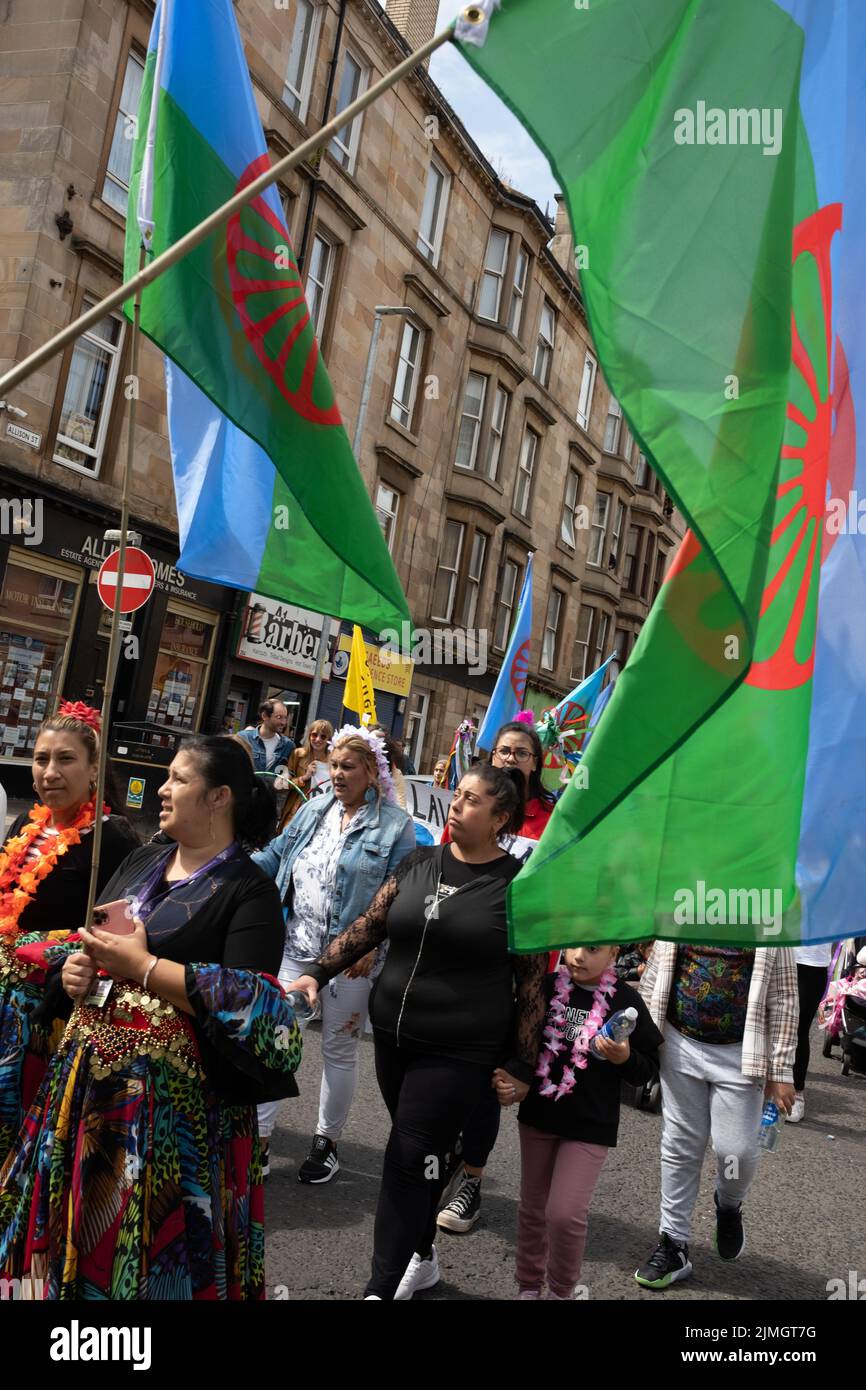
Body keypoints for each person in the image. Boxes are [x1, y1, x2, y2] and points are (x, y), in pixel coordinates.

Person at [0, 736, 301, 1300]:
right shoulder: (144, 860)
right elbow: (94, 944)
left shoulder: (249, 890)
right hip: (88, 1092)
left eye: (179, 780)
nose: (161, 789)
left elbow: (253, 1003)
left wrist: (143, 967)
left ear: (219, 798)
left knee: (147, 1257)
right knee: (70, 1235)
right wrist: (77, 975)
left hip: (171, 1115)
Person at [286, 763, 549, 1300]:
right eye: (459, 795)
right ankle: (422, 1255)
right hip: (395, 1039)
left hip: (461, 1050)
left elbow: (534, 985)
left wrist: (523, 1063)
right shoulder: (418, 862)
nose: (458, 804)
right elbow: (370, 926)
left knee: (406, 1159)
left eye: (474, 801)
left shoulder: (518, 888)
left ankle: (379, 1287)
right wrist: (316, 972)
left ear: (501, 817)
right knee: (418, 1153)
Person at [253, 725, 415, 1182]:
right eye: (335, 766)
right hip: (296, 948)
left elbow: (397, 892)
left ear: (371, 772)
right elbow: (278, 854)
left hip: (351, 959)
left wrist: (374, 942)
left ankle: (326, 1143)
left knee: (338, 1050)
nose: (338, 774)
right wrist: (226, 865)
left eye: (348, 767)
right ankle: (260, 1141)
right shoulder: (313, 809)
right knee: (278, 1039)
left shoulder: (395, 826)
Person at [0, 702, 138, 1168]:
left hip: (52, 1014)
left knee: (29, 1136)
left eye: (66, 759)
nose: (50, 772)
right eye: (41, 759)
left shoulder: (111, 837)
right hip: (3, 1007)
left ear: (94, 768)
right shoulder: (24, 826)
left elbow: (121, 936)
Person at [436, 715, 558, 1235]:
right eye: (503, 751)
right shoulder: (468, 810)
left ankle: (471, 1182)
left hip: (519, 969)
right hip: (459, 960)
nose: (510, 759)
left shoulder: (551, 820)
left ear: (536, 763)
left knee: (489, 1078)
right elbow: (441, 868)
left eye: (521, 753)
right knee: (445, 1070)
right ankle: (440, 1158)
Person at [634, 941, 798, 1289]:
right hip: (679, 1043)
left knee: (735, 1153)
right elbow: (659, 968)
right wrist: (643, 1037)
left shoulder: (768, 903)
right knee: (680, 1146)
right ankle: (673, 1244)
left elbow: (784, 995)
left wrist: (781, 1069)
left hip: (741, 1054)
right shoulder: (685, 893)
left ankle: (728, 1204)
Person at [513, 944, 663, 1299]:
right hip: (539, 1115)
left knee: (564, 1214)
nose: (579, 955)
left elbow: (648, 1069)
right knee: (533, 1209)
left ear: (613, 953)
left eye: (593, 949)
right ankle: (529, 1287)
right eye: (574, 946)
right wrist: (509, 1072)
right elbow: (519, 1040)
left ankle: (562, 1291)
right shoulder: (546, 988)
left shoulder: (625, 1001)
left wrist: (624, 1057)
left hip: (590, 1124)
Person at [788, 942, 833, 1123]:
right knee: (762, 1021)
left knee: (798, 1027)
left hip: (811, 960)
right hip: (773, 949)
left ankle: (797, 1094)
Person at [275, 719, 334, 830]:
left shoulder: (333, 761)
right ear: (309, 735)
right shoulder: (298, 754)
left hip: (318, 813)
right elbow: (281, 785)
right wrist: (304, 777)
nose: (318, 739)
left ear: (329, 740)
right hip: (295, 810)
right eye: (314, 735)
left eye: (323, 736)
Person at [237, 699, 295, 773]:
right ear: (264, 716)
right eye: (279, 717)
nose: (283, 722)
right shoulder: (243, 738)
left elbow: (290, 772)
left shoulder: (288, 745)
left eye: (285, 718)